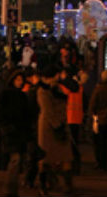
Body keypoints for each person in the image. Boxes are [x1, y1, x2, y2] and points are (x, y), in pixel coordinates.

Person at [36, 65, 74, 196]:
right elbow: (47, 111)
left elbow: (73, 88)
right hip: (48, 128)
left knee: (66, 157)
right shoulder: (42, 91)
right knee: (45, 159)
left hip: (61, 125)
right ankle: (43, 185)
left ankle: (67, 185)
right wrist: (58, 125)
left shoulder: (57, 88)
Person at [0, 69, 32, 197]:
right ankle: (10, 188)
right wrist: (5, 127)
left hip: (19, 131)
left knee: (18, 160)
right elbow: (0, 113)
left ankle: (12, 187)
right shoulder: (6, 95)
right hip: (12, 131)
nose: (20, 82)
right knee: (15, 159)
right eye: (18, 80)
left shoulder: (22, 96)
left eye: (21, 80)